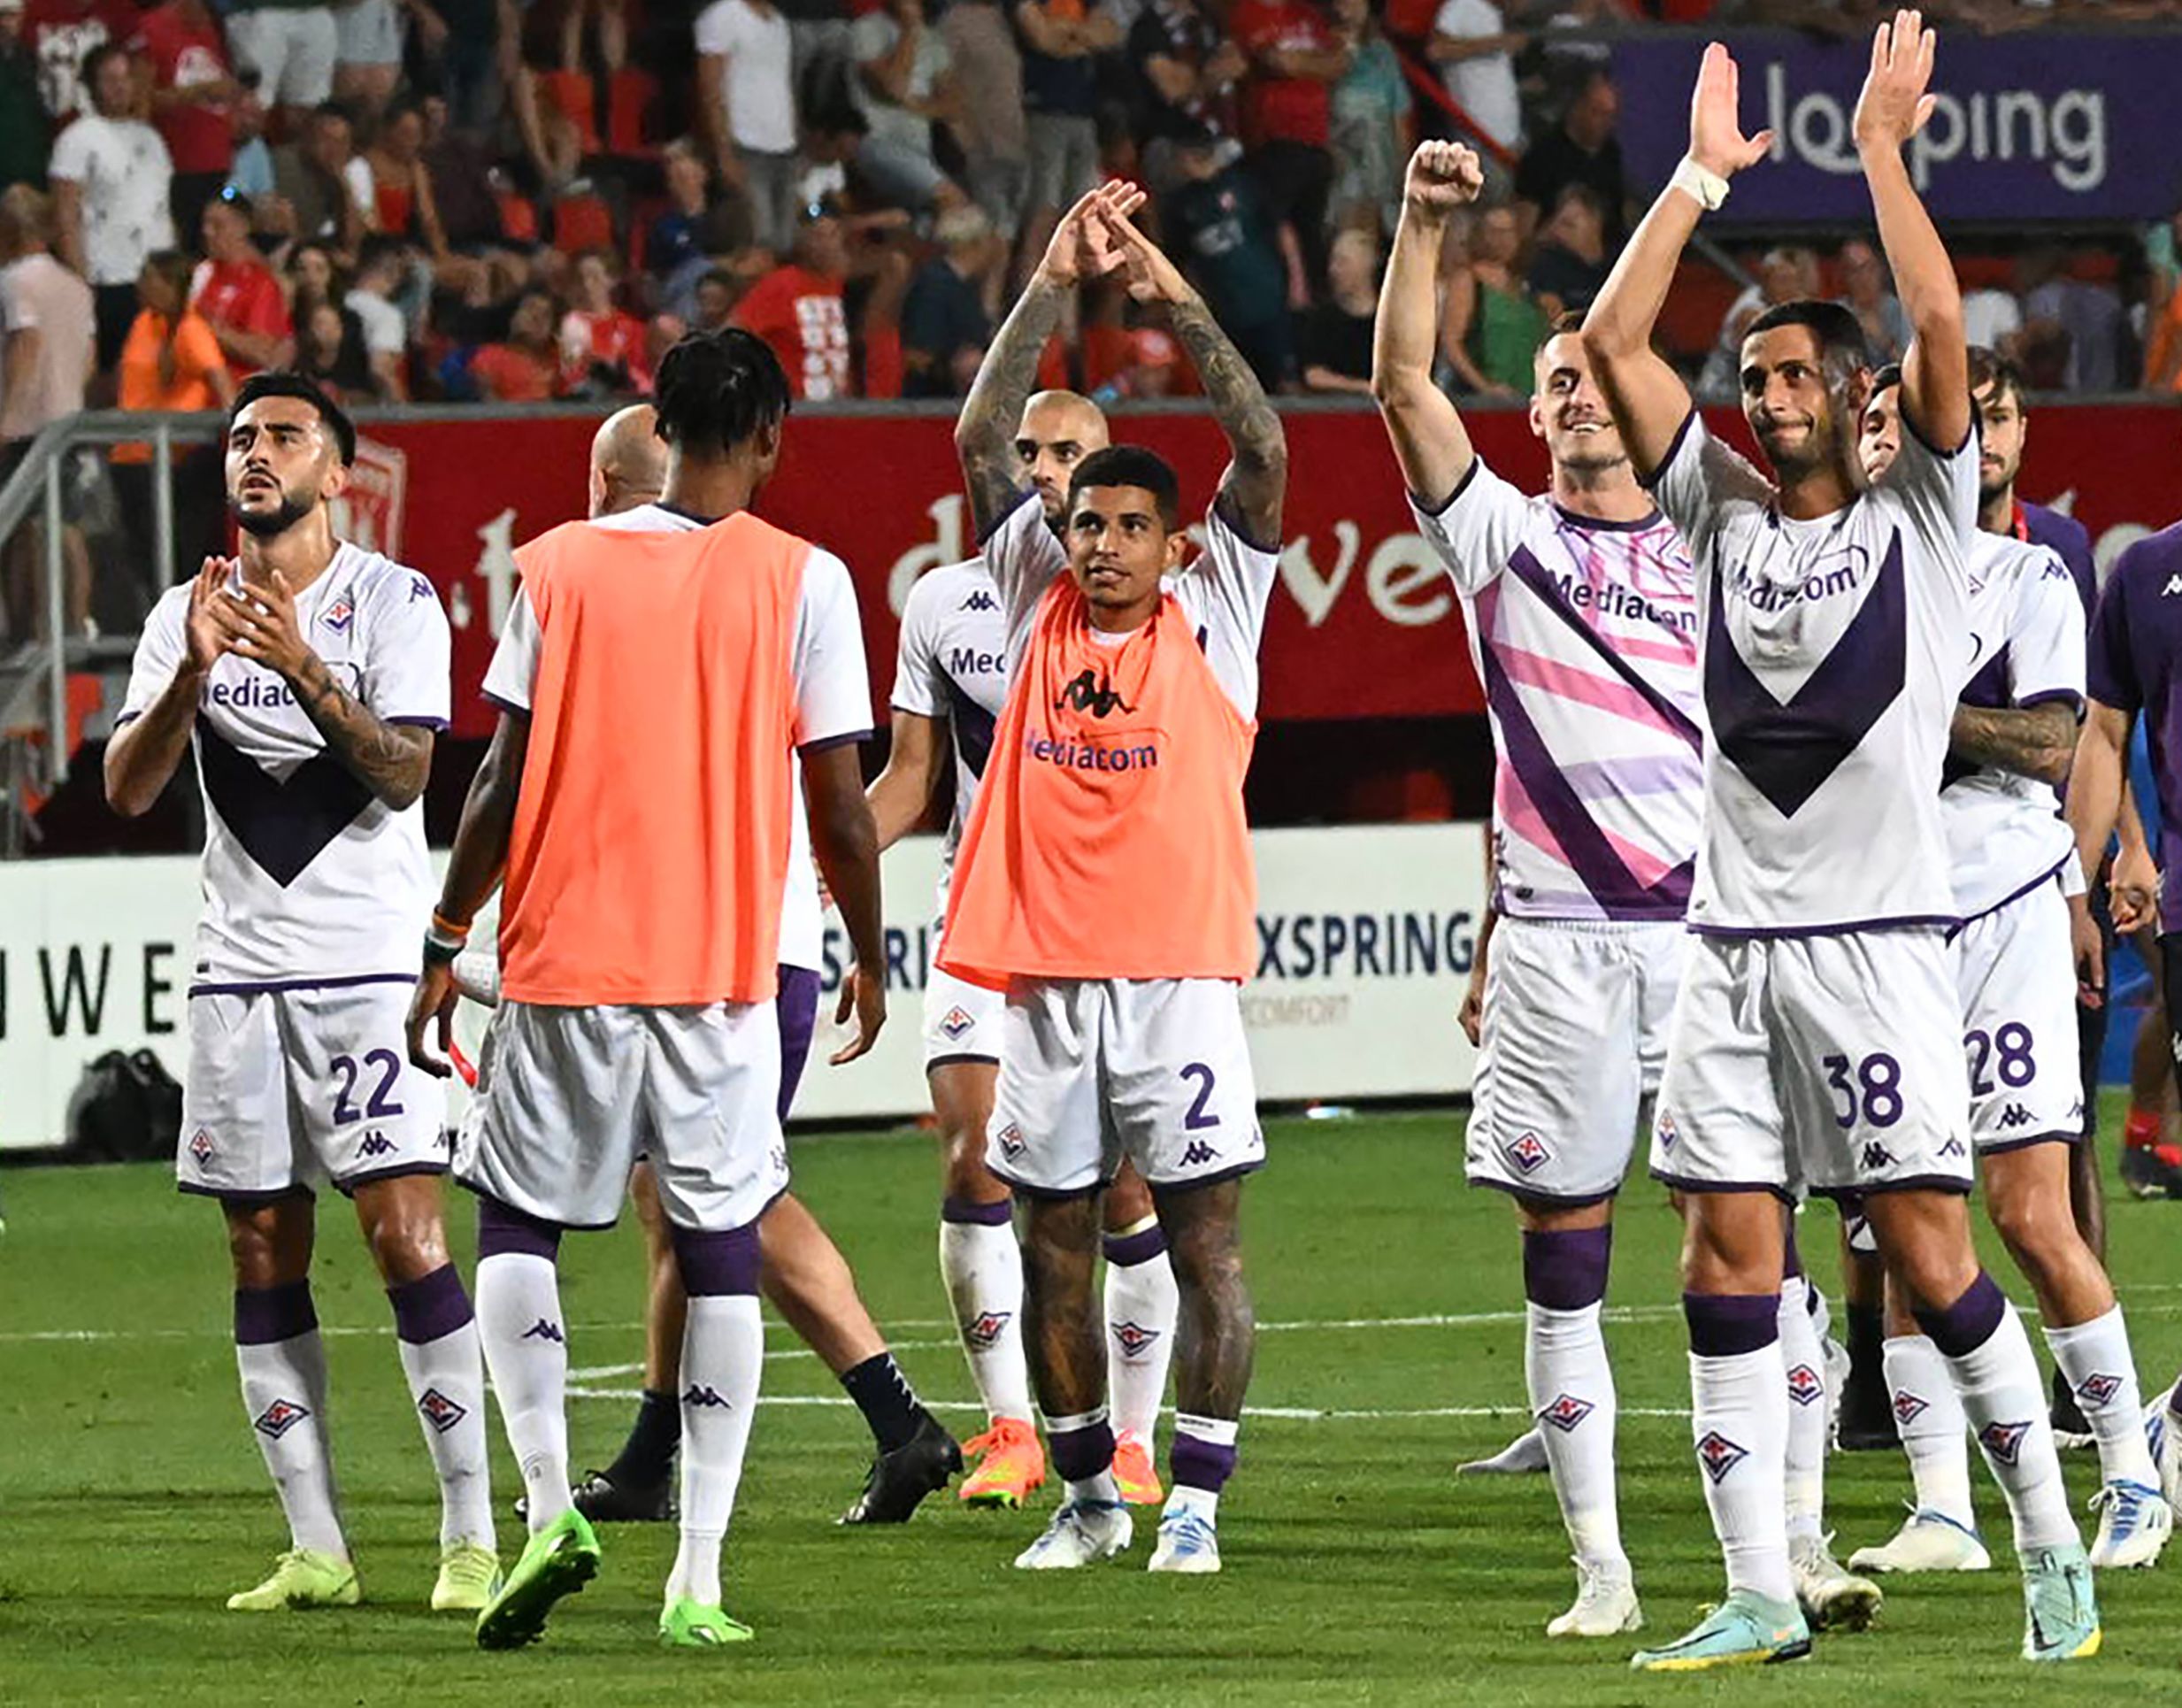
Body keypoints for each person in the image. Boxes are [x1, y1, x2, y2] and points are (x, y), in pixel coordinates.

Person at [1580, 17, 2097, 1667]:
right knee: (1720, 1253)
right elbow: (1607, 339)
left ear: (1859, 397)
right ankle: (1756, 1587)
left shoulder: (1923, 519)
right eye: (1753, 378)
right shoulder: (1715, 516)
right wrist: (1694, 180)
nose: (1768, 395)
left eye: (1797, 374)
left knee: (1935, 1256)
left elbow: (1940, 318)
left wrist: (1878, 150)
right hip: (1730, 951)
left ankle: (2050, 1543)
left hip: (1879, 950)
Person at [403, 327, 888, 1650]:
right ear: (773, 436)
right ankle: (698, 1578)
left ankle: (550, 1503)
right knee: (720, 1245)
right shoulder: (805, 579)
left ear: (659, 429)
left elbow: (497, 777)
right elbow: (841, 804)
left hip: (567, 955)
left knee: (518, 1222)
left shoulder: (557, 568)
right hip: (723, 970)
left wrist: (447, 930)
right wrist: (865, 945)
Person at [496, 404, 962, 1533]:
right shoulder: (770, 580)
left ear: (612, 483)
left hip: (728, 944)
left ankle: (894, 1419)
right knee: (683, 1196)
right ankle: (660, 1457)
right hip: (736, 936)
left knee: (728, 1193)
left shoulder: (620, 583)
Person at [1372, 139, 1703, 1640]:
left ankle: (1792, 1549)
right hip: (1558, 949)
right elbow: (1400, 386)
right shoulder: (1503, 541)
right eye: (1553, 378)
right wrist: (1421, 226)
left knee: (1746, 1246)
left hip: (1704, 944)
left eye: (1593, 373)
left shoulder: (1718, 543)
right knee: (1563, 1269)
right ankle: (1601, 1573)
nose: (1574, 392)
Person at [103, 371, 498, 1620]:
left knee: (404, 1236)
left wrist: (308, 670)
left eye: (284, 434)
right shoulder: (182, 613)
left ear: (335, 470)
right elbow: (126, 788)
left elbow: (407, 773)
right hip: (237, 976)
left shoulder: (394, 598)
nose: (255, 452)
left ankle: (471, 1536)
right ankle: (317, 1545)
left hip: (368, 968)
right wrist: (192, 673)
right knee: (259, 1245)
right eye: (240, 437)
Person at [947, 181, 1284, 1574]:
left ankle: (1193, 1504)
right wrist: (1050, 276)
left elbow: (1260, 443)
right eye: (1083, 524)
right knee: (1052, 1254)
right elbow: (981, 435)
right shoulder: (1029, 598)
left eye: (1127, 526)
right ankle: (1088, 1498)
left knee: (1206, 1252)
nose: (1098, 544)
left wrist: (1170, 296)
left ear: (1172, 543)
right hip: (1045, 982)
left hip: (1176, 983)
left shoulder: (1219, 606)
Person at [1842, 365, 2169, 1577]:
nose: (1892, 441)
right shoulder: (1825, 586)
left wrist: (1909, 711)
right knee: (1899, 1217)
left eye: (1909, 423)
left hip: (2000, 915)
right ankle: (1943, 1508)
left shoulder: (2028, 574)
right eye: (1873, 425)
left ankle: (2130, 1475)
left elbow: (2047, 739)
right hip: (1873, 921)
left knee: (2030, 1211)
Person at [868, 379, 1182, 1512]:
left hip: (1115, 925)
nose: (1045, 468)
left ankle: (1132, 1442)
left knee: (1125, 1189)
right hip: (981, 917)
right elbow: (912, 777)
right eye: (1031, 451)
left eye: (1069, 452)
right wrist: (811, 858)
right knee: (974, 1159)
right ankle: (1012, 1428)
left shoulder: (1159, 608)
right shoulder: (945, 602)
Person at [49, 42, 175, 371]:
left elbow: (160, 204)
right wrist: (80, 283)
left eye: (126, 77)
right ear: (93, 86)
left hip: (157, 273)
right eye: (110, 79)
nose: (120, 87)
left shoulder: (151, 138)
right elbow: (65, 215)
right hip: (108, 276)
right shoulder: (77, 140)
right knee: (113, 370)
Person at [132, 0, 244, 245]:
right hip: (178, 163)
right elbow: (140, 101)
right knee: (187, 241)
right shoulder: (152, 29)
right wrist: (198, 92)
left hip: (218, 160)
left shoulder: (215, 28)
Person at [695, 0, 800, 254]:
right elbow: (710, 88)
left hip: (784, 148)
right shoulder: (723, 14)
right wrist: (724, 152)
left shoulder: (779, 23)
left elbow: (781, 83)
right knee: (756, 243)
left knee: (785, 245)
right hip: (744, 144)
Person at [732, 213, 854, 400]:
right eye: (818, 237)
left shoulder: (843, 286)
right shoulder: (780, 285)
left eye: (833, 236)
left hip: (841, 407)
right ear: (802, 242)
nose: (826, 245)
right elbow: (735, 334)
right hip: (796, 406)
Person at [196, 188, 296, 376]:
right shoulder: (201, 274)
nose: (207, 232)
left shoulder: (262, 284)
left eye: (217, 225)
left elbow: (263, 353)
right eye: (205, 224)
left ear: (242, 227)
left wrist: (205, 328)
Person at [1297, 225, 1377, 394]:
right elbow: (1314, 375)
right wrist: (1363, 387)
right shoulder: (1322, 319)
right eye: (1333, 262)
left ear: (1365, 266)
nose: (1333, 270)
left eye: (1342, 262)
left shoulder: (1388, 320)